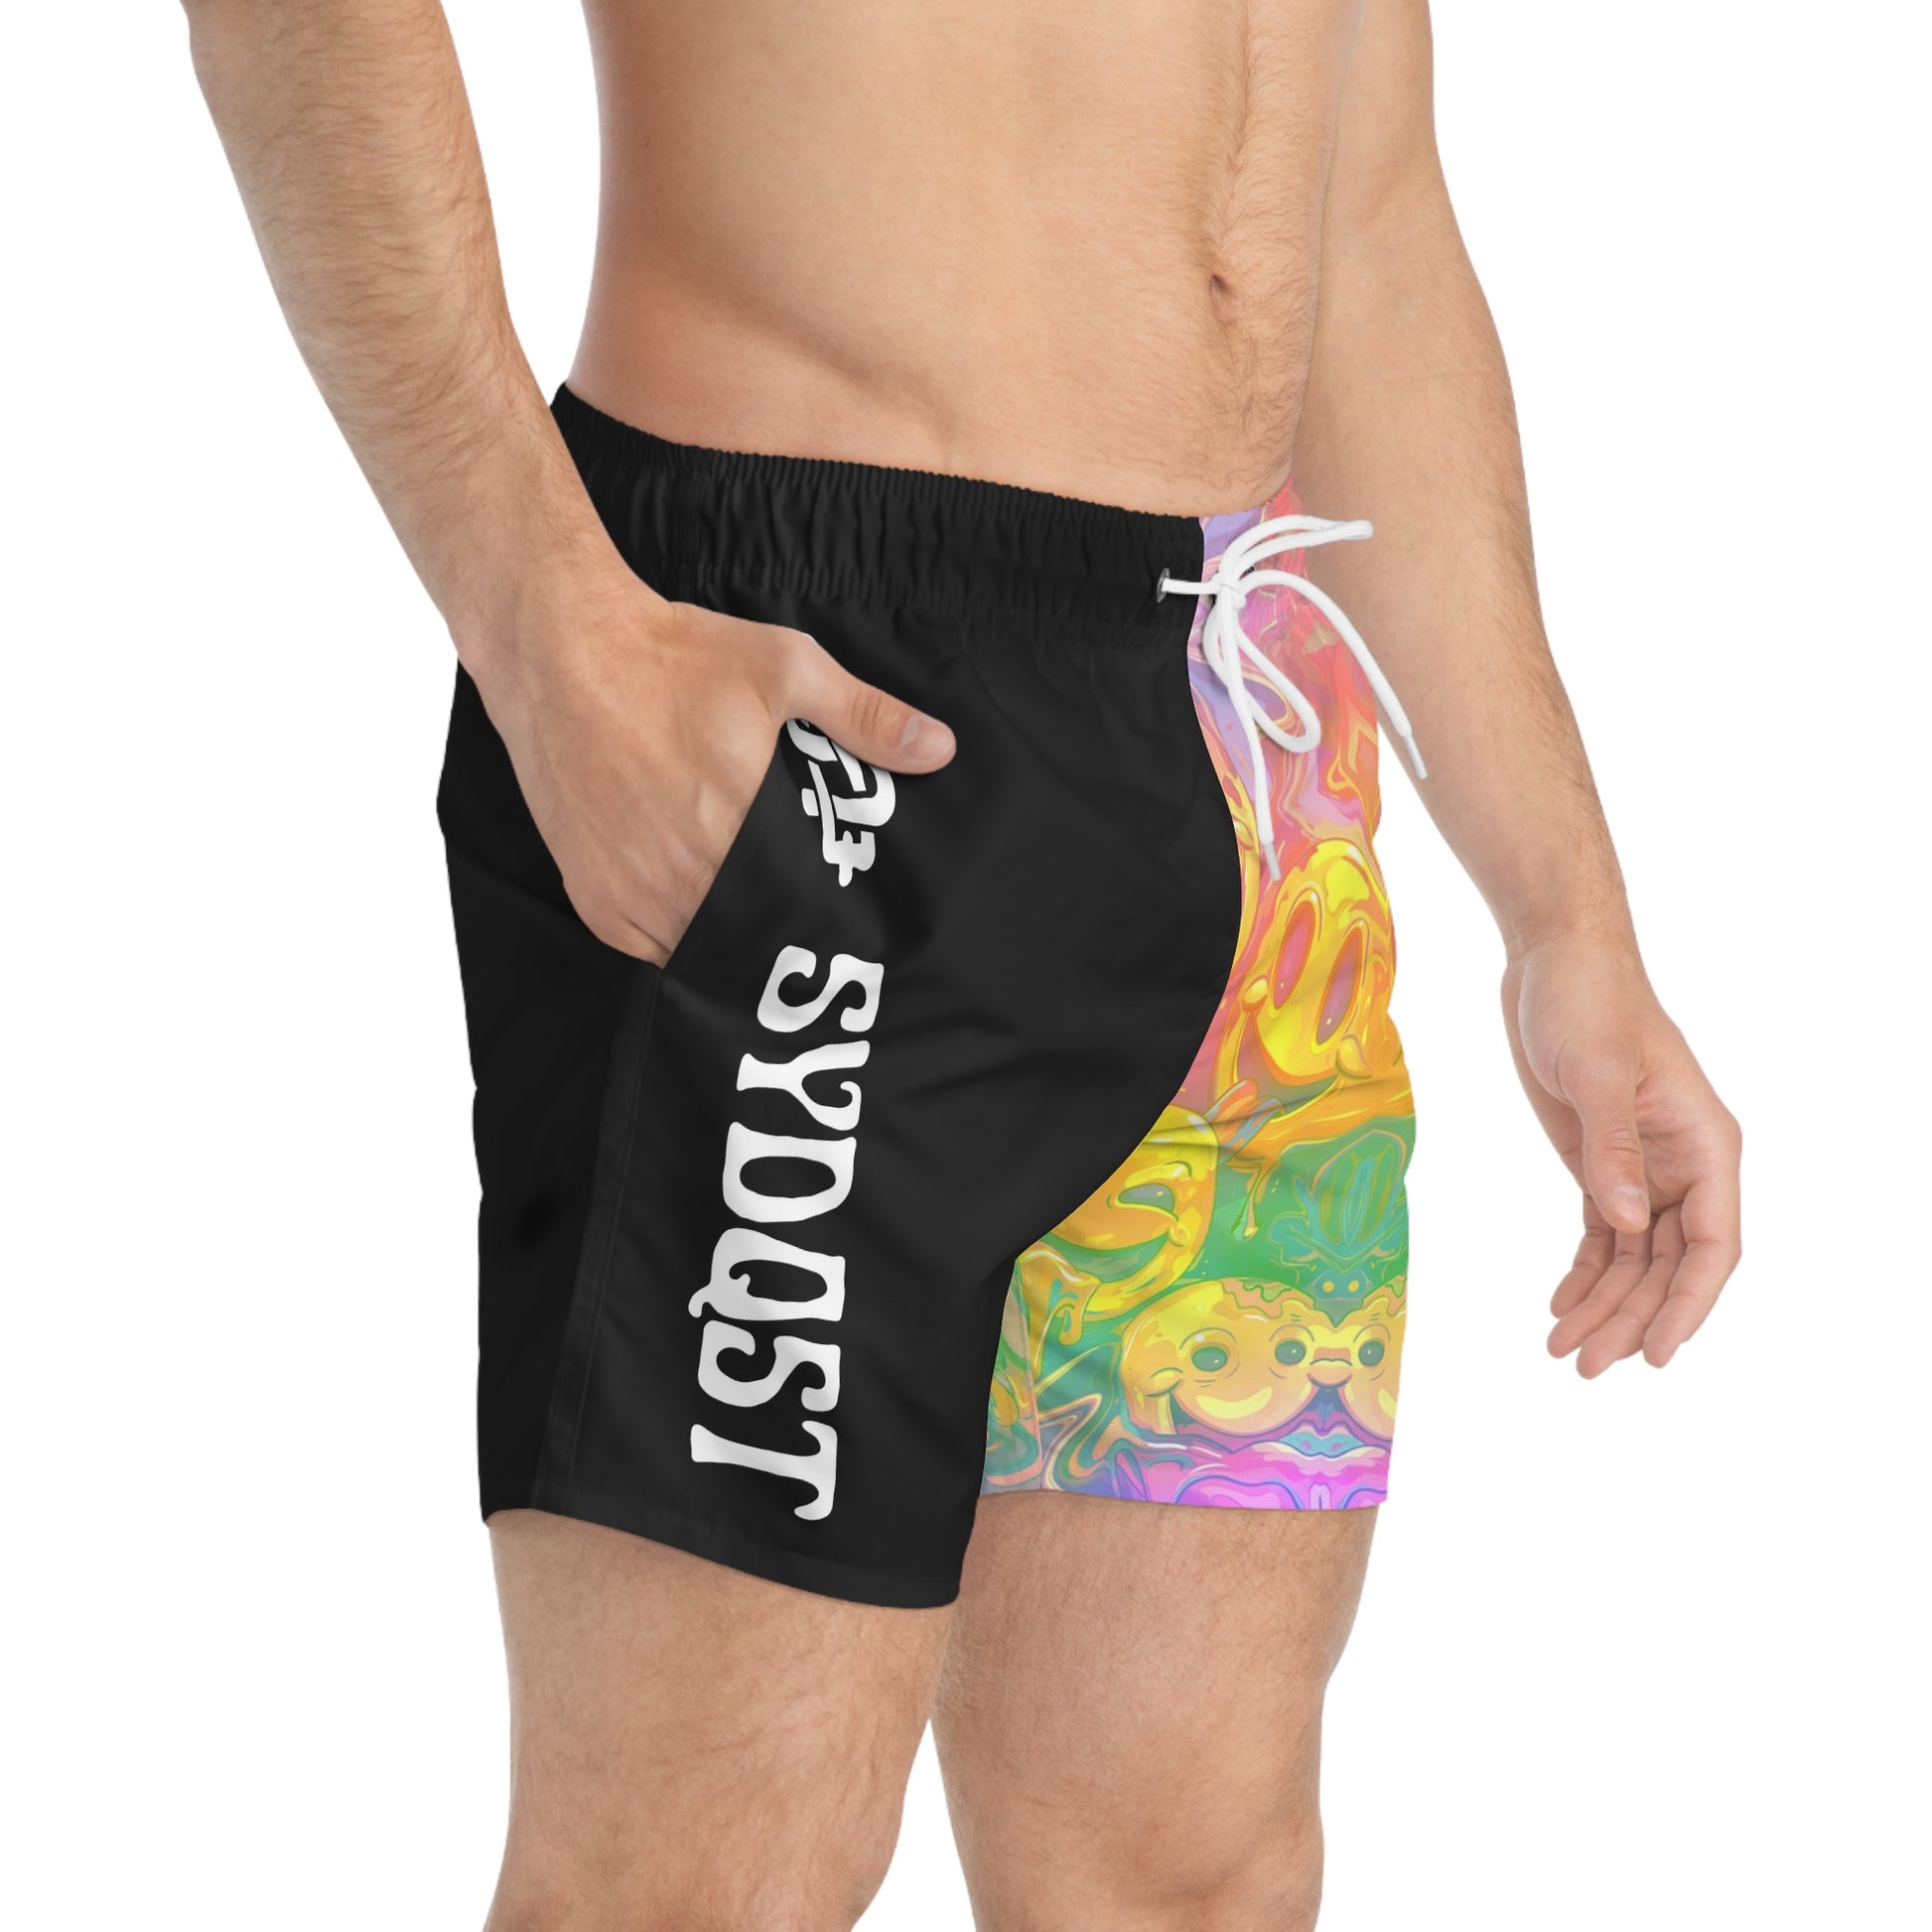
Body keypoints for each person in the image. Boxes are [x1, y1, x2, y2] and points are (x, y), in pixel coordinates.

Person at [183, 2, 1742, 1925]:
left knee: (1184, 1872)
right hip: (819, 707)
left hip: (1252, 741)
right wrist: (538, 614)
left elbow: (1362, 219)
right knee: (700, 1882)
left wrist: (1566, 915)